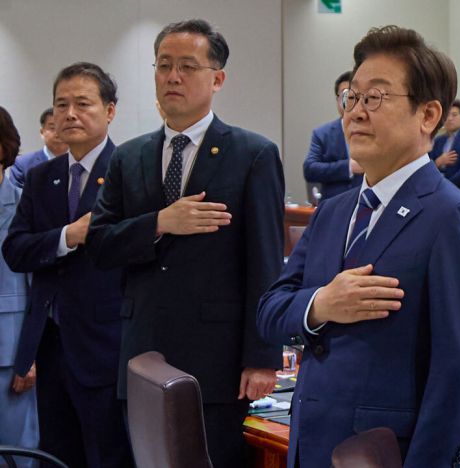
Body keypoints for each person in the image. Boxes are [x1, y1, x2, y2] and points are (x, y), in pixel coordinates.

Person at [257, 25, 460, 468]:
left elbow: (459, 372)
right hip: (311, 446)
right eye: (351, 97)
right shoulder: (333, 211)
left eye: (375, 98)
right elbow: (270, 311)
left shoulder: (452, 217)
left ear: (428, 115)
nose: (355, 113)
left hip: (385, 454)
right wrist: (322, 303)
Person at [86, 19, 284, 467]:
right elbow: (99, 245)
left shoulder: (252, 154)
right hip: (142, 351)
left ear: (217, 79)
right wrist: (159, 222)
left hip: (216, 360)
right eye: (164, 65)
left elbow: (266, 264)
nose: (172, 77)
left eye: (187, 67)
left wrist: (262, 358)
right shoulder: (129, 155)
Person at [3, 62, 130, 468]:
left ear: (110, 110)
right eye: (61, 105)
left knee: (107, 455)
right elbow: (16, 249)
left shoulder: (130, 170)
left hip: (107, 347)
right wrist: (66, 236)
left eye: (82, 103)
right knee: (55, 457)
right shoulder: (41, 177)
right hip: (50, 345)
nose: (70, 114)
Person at [0, 106, 38, 468]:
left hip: (10, 355)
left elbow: (39, 291)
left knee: (17, 454)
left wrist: (31, 356)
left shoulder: (26, 204)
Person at [303, 71, 363, 200]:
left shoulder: (373, 130)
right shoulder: (322, 133)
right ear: (337, 100)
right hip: (333, 203)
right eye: (345, 95)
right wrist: (348, 167)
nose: (349, 101)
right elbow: (310, 169)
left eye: (354, 96)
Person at [8, 108, 68, 189]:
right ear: (42, 132)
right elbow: (17, 195)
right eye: (52, 128)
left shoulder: (79, 163)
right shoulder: (22, 164)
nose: (58, 133)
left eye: (63, 128)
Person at [429, 99, 460, 190]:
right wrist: (438, 162)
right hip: (437, 187)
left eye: (454, 115)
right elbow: (427, 164)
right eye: (447, 115)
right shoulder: (438, 140)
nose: (450, 118)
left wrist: (446, 186)